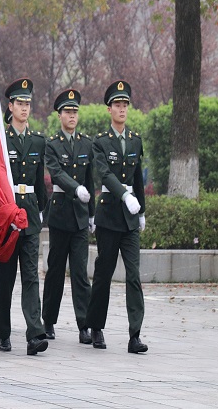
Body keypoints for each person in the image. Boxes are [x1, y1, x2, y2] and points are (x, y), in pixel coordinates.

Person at [86, 80, 148, 354]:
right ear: (109, 109)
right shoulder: (100, 142)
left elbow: (137, 178)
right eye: (117, 105)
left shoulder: (135, 140)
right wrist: (125, 196)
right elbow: (105, 174)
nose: (122, 109)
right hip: (110, 215)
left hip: (130, 219)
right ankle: (96, 326)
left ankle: (135, 335)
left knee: (133, 275)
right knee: (104, 274)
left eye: (125, 105)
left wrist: (141, 210)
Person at [0, 78, 48, 355]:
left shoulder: (38, 140)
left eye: (28, 103)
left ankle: (34, 333)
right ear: (10, 106)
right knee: (5, 278)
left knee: (30, 275)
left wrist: (41, 210)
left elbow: (39, 181)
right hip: (8, 213)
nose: (25, 108)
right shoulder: (1, 140)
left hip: (30, 215)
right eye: (20, 103)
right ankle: (2, 332)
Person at [42, 89, 95, 344]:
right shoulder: (52, 144)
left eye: (75, 111)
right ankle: (48, 320)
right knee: (55, 271)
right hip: (61, 214)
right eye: (67, 112)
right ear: (59, 115)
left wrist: (92, 213)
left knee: (80, 273)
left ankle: (84, 324)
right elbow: (57, 174)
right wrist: (76, 189)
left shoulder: (86, 144)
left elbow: (90, 180)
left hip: (80, 217)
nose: (72, 116)